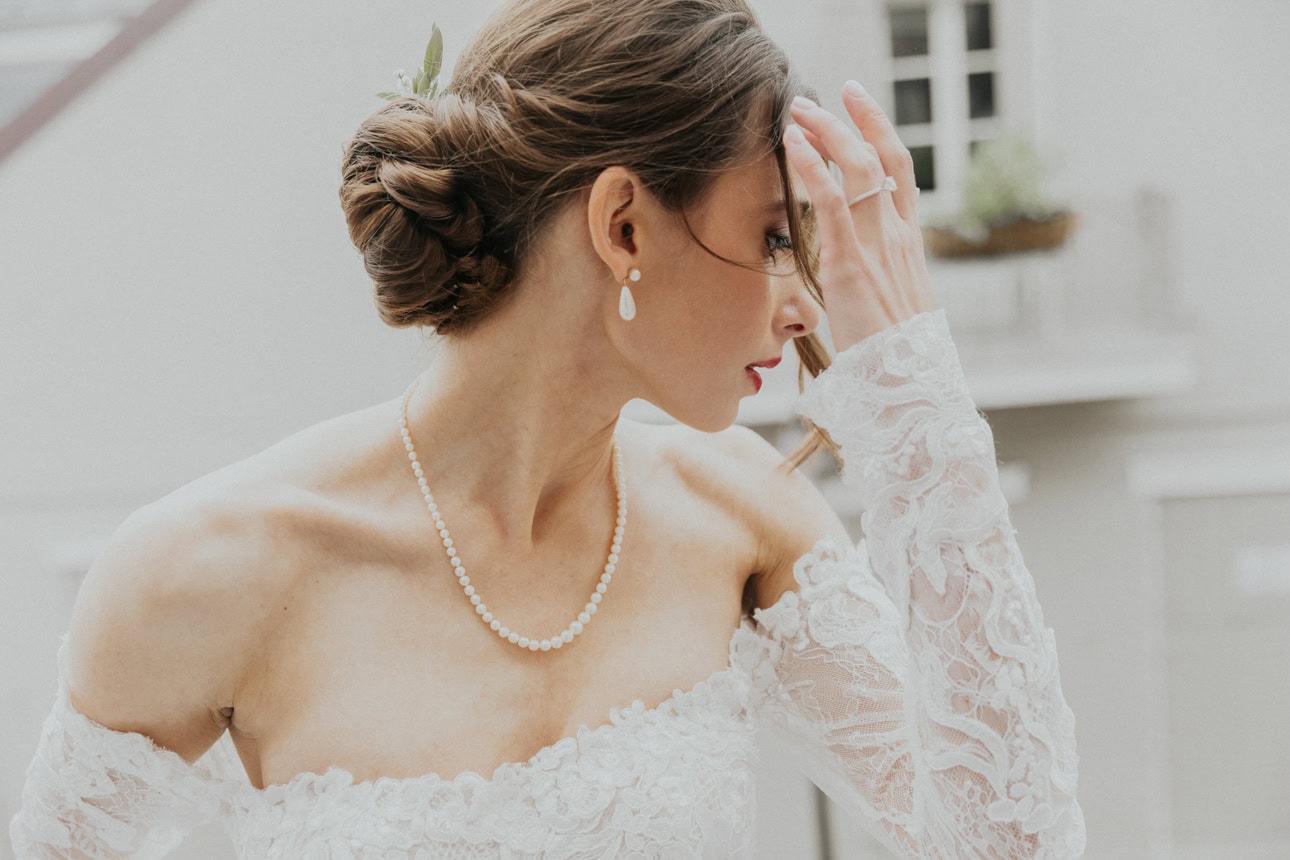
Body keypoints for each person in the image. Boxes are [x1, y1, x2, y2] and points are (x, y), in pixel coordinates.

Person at [10, 0, 1087, 856]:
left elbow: (1009, 847)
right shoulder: (204, 570)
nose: (804, 300)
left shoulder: (743, 518)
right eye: (770, 236)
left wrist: (917, 407)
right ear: (624, 224)